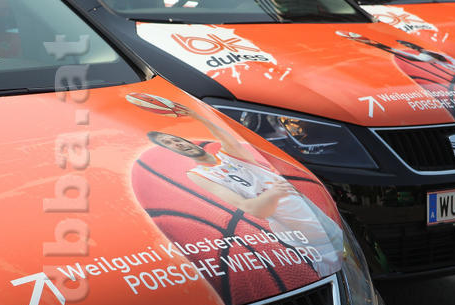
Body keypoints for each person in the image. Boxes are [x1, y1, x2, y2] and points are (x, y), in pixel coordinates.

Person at [146, 105, 343, 277]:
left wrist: (197, 116)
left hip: (315, 216)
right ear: (171, 151)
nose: (177, 143)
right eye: (168, 143)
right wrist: (273, 193)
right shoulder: (198, 175)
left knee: (348, 260)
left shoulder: (229, 154)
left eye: (175, 139)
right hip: (303, 235)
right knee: (334, 273)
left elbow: (228, 139)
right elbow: (250, 208)